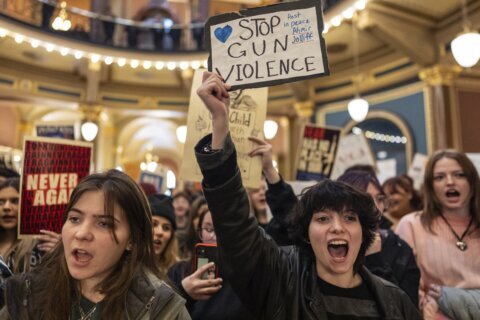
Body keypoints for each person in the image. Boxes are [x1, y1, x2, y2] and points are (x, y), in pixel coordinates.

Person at [194, 71, 420, 319]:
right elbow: (234, 222)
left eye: (349, 218)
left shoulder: (395, 302)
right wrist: (220, 121)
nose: (337, 227)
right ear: (307, 235)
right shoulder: (280, 282)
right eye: (323, 218)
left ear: (364, 233)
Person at [0, 170, 189, 319]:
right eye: (74, 219)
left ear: (131, 240)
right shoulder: (27, 294)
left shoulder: (161, 308)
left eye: (104, 224)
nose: (81, 233)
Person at [396, 149, 480, 319]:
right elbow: (405, 288)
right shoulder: (412, 225)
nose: (450, 182)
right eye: (439, 177)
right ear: (430, 186)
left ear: (472, 181)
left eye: (459, 175)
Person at [168, 208, 253, 320]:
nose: (214, 236)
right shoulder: (178, 271)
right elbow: (163, 314)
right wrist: (184, 293)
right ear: (200, 233)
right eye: (208, 229)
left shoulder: (250, 273)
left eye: (223, 229)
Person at [0, 178, 59, 274]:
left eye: (15, 201)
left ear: (28, 205)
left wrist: (59, 255)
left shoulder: (41, 245)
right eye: (1, 202)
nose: (6, 207)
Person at [148, 194, 180, 279]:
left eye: (166, 228)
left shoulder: (178, 272)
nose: (160, 232)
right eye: (154, 224)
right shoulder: (126, 267)